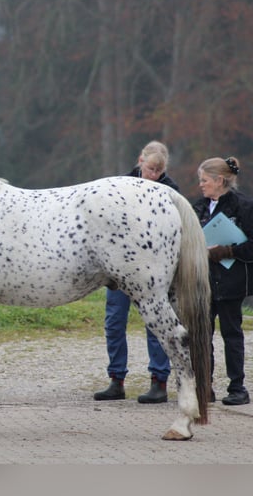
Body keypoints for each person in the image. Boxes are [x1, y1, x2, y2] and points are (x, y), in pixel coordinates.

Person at [94, 141, 180, 404]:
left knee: (155, 323)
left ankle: (159, 380)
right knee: (114, 322)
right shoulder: (122, 186)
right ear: (140, 161)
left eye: (157, 170)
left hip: (149, 268)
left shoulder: (170, 193)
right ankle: (116, 378)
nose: (152, 174)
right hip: (120, 267)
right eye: (149, 168)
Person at [193, 156, 253, 406]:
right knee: (203, 336)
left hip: (232, 281)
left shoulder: (246, 207)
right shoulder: (198, 207)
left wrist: (228, 251)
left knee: (231, 334)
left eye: (204, 180)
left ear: (219, 180)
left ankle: (237, 387)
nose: (201, 185)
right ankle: (205, 387)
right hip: (203, 282)